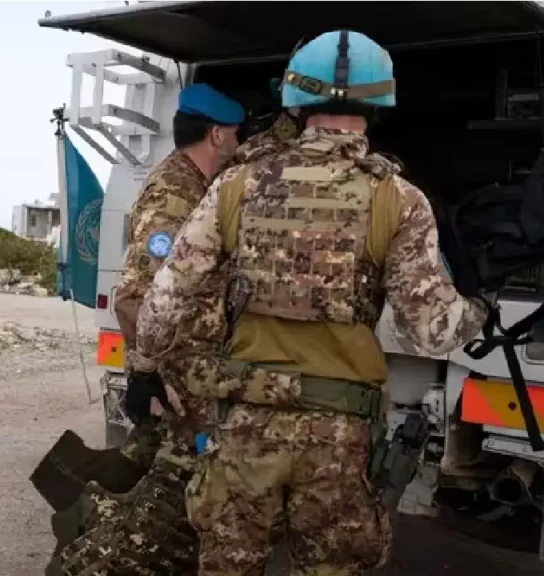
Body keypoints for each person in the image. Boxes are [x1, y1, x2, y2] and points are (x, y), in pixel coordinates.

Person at [130, 30, 491, 576]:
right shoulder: (399, 199)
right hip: (339, 437)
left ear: (293, 102)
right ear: (381, 104)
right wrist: (477, 311)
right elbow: (431, 332)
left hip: (246, 426)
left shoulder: (235, 186)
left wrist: (145, 367)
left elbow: (163, 303)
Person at [56, 83, 246, 576]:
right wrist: (146, 370)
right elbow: (137, 294)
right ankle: (90, 557)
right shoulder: (176, 194)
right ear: (218, 135)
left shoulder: (198, 187)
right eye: (237, 136)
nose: (240, 146)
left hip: (193, 369)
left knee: (151, 480)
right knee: (173, 510)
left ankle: (87, 526)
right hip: (183, 376)